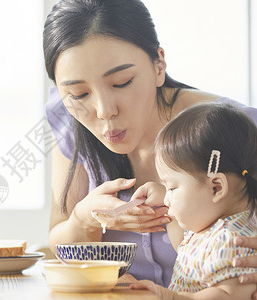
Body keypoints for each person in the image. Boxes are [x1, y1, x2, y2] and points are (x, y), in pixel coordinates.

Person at [43, 0, 257, 290]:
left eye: (122, 82)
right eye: (79, 93)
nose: (104, 110)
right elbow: (58, 240)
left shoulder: (239, 129)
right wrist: (84, 220)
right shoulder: (71, 123)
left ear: (159, 65)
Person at [129, 102, 256, 299]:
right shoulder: (209, 230)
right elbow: (182, 245)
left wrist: (173, 297)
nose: (168, 198)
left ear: (216, 187)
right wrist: (163, 196)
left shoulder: (231, 241)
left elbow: (229, 296)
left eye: (172, 187)